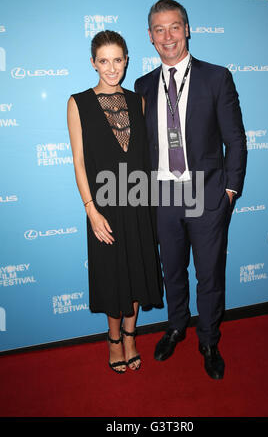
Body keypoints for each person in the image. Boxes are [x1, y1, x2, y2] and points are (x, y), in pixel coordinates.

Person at [135, 0, 247, 379]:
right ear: (150, 37)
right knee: (172, 270)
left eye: (174, 27)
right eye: (159, 29)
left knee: (210, 273)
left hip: (206, 191)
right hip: (163, 194)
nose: (168, 36)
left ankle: (209, 339)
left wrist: (230, 191)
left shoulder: (217, 77)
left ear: (187, 29)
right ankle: (176, 326)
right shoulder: (143, 85)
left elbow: (236, 139)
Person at [67, 31, 163, 374]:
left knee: (137, 272)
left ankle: (130, 336)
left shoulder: (138, 101)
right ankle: (112, 339)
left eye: (117, 60)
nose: (111, 68)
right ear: (93, 63)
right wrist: (91, 209)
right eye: (103, 60)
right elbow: (78, 161)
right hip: (103, 206)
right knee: (112, 276)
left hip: (139, 202)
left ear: (126, 60)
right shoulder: (77, 102)